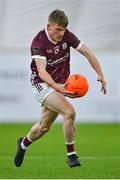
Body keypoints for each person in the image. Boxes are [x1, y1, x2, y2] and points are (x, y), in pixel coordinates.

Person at [14, 9, 106, 168]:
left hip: (59, 85)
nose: (61, 33)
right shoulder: (39, 42)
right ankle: (71, 155)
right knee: (69, 112)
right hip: (41, 84)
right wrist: (58, 87)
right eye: (58, 29)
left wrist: (100, 74)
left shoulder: (67, 35)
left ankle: (23, 144)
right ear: (49, 26)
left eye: (63, 29)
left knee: (43, 127)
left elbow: (88, 53)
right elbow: (41, 72)